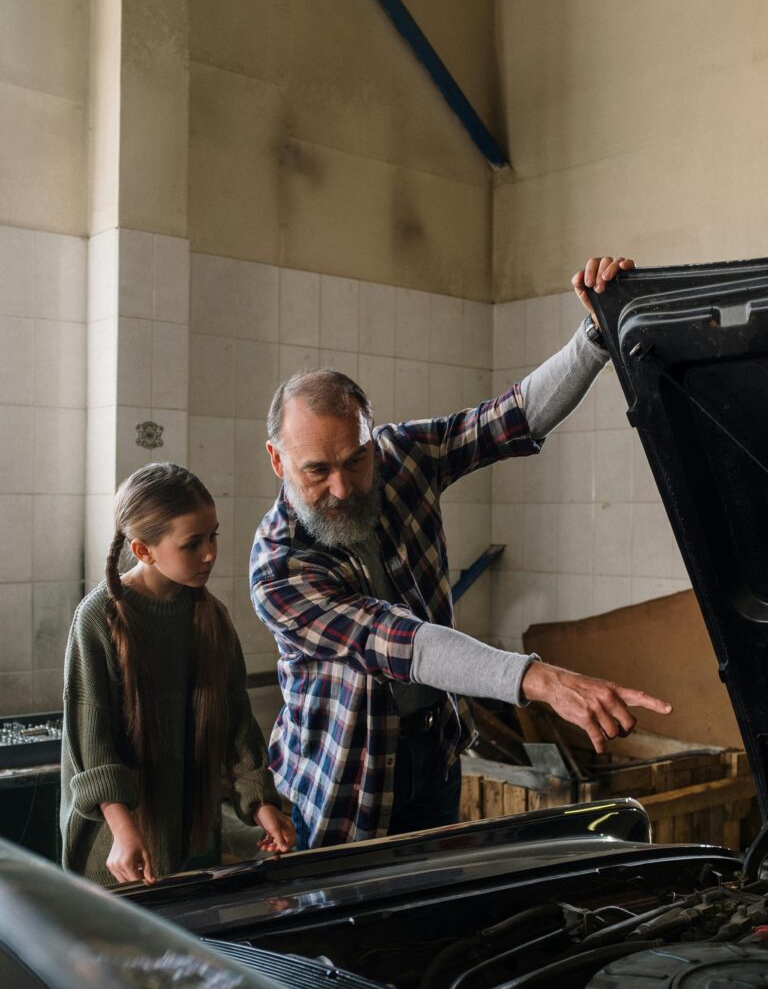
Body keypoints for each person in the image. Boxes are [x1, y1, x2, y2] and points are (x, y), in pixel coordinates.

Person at [250, 256, 673, 850]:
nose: (343, 488)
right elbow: (402, 642)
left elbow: (510, 418)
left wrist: (597, 335)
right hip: (343, 776)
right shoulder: (278, 568)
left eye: (356, 460)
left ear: (373, 438)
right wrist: (539, 679)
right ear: (277, 461)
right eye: (317, 471)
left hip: (433, 749)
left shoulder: (399, 458)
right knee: (356, 927)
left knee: (434, 914)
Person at [61, 462, 295, 886]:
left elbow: (236, 723)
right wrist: (123, 830)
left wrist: (262, 804)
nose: (210, 553)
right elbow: (91, 742)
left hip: (191, 840)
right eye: (192, 544)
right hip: (116, 850)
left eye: (213, 536)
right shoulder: (97, 618)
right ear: (143, 550)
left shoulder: (211, 616)